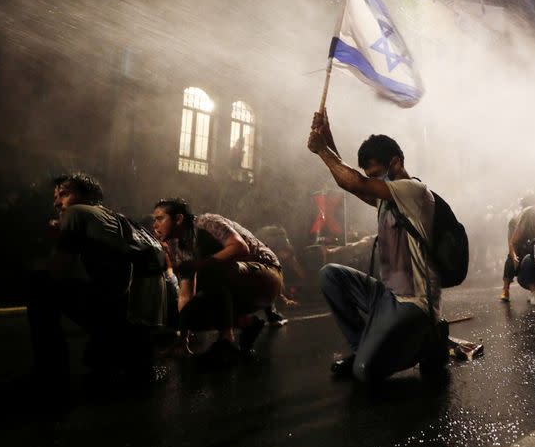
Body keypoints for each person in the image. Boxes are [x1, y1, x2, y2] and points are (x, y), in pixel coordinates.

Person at [307, 110, 446, 382]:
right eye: (371, 176)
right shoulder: (386, 197)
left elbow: (356, 181)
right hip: (386, 296)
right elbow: (350, 182)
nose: (372, 180)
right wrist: (327, 135)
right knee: (330, 275)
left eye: (377, 174)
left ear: (396, 163)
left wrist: (322, 151)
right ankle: (362, 347)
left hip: (414, 304)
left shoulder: (414, 192)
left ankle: (431, 342)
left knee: (365, 372)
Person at [27, 173, 151, 402]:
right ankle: (115, 351)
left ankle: (51, 374)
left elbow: (58, 271)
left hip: (113, 311)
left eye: (64, 194)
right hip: (136, 319)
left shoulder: (78, 212)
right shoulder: (116, 218)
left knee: (39, 282)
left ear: (86, 197)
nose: (57, 203)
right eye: (55, 197)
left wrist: (59, 241)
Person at [152, 198, 283, 364]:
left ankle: (226, 342)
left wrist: (199, 263)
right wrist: (182, 338)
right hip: (235, 283)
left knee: (209, 267)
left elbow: (240, 247)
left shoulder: (207, 223)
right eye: (154, 220)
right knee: (190, 315)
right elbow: (185, 292)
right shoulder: (174, 245)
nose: (155, 225)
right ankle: (248, 323)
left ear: (178, 219)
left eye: (159, 218)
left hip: (267, 276)